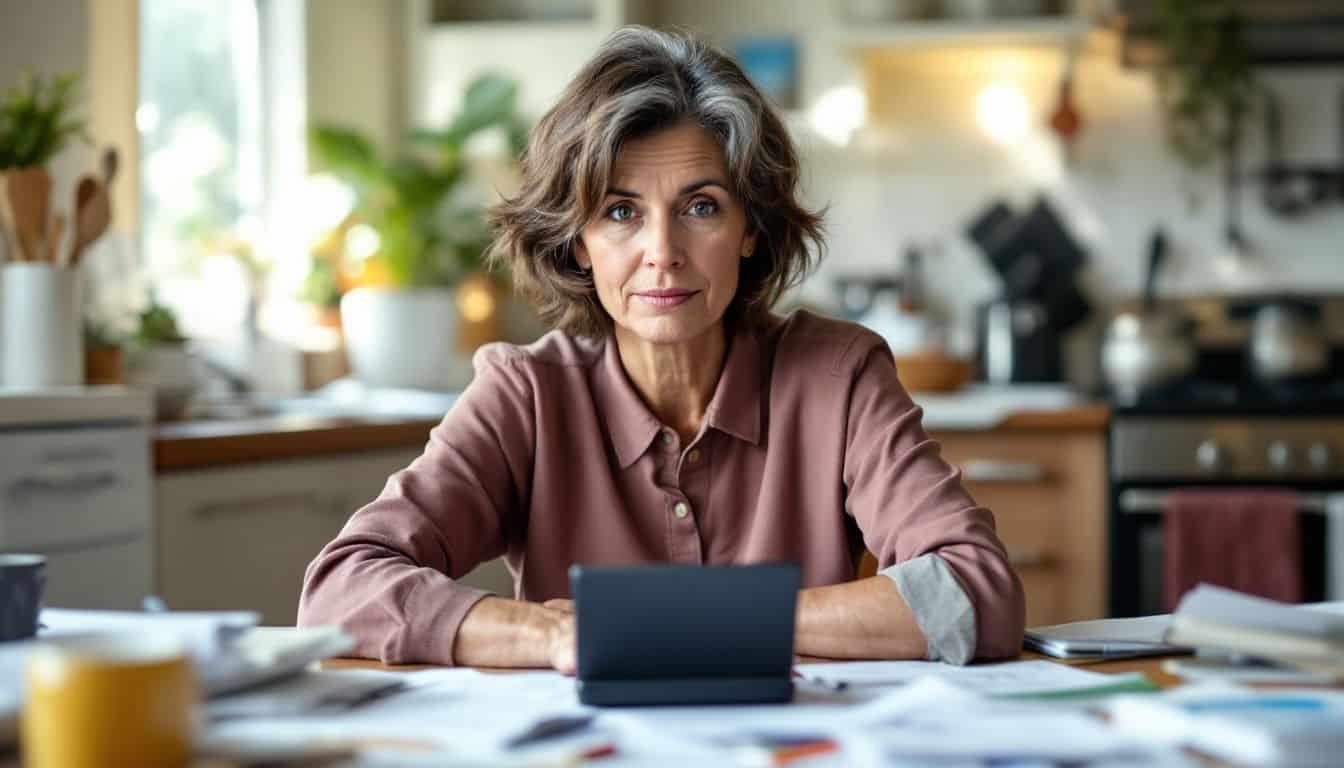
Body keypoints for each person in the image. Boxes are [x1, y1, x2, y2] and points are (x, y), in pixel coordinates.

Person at [299, 26, 1025, 672]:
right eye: (621, 212)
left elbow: (976, 588)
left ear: (750, 228)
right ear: (578, 242)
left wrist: (710, 620)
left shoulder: (838, 374)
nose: (662, 253)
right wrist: (545, 638)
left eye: (700, 207)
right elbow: (341, 589)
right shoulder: (526, 393)